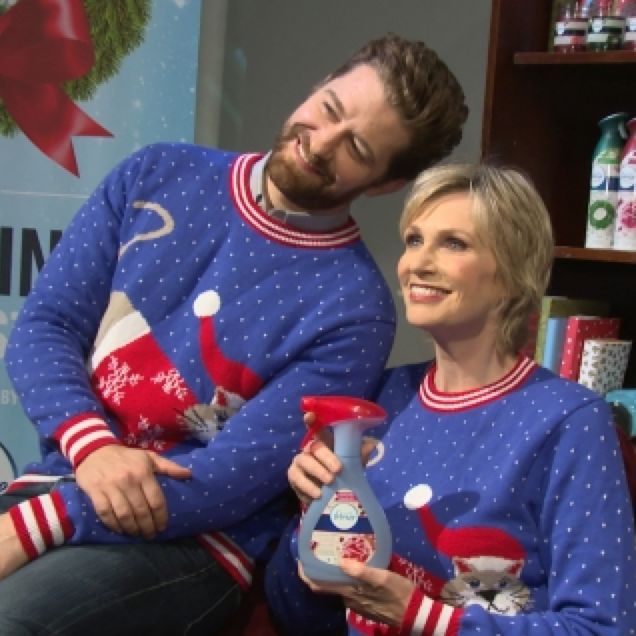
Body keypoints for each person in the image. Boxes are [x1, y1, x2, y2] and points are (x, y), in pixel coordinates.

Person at [0, 33, 468, 636]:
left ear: (383, 184)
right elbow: (45, 326)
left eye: (355, 147)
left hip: (195, 541)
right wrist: (91, 448)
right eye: (329, 108)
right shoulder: (156, 171)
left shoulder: (356, 310)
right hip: (67, 476)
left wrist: (40, 523)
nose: (320, 142)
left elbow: (227, 482)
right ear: (317, 87)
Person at [265, 163, 636, 636]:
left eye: (453, 243)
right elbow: (294, 615)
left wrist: (424, 618)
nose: (417, 263)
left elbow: (603, 628)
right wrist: (312, 517)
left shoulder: (571, 420)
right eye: (414, 240)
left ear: (513, 274)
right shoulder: (375, 401)